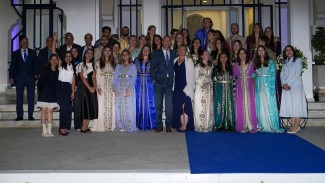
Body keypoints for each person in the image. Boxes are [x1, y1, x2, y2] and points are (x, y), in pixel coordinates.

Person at [254, 45, 284, 133]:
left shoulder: (270, 61)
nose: (260, 51)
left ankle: (271, 125)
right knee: (260, 104)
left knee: (268, 103)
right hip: (259, 84)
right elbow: (254, 73)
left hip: (267, 85)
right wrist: (252, 75)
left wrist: (272, 88)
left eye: (262, 50)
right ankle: (262, 124)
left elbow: (273, 76)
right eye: (259, 50)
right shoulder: (257, 62)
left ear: (265, 51)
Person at [9, 36, 39, 121]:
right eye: (24, 42)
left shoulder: (33, 52)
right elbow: (13, 66)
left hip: (30, 78)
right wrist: (11, 77)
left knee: (31, 97)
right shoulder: (15, 53)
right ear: (20, 43)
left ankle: (30, 115)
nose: (26, 44)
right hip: (19, 78)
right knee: (19, 97)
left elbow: (36, 64)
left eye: (27, 42)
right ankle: (20, 115)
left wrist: (36, 74)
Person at [150, 36, 177, 133]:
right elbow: (152, 67)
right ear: (162, 42)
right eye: (165, 40)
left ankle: (168, 125)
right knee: (158, 105)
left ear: (170, 43)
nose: (167, 42)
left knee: (169, 105)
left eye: (168, 41)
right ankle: (159, 125)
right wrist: (153, 79)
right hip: (158, 83)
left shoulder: (174, 53)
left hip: (169, 83)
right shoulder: (156, 53)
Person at [280, 45, 307, 134]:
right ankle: (293, 126)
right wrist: (283, 84)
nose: (288, 51)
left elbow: (297, 73)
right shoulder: (284, 62)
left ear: (293, 51)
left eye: (290, 50)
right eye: (286, 50)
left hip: (295, 86)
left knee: (297, 105)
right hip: (286, 86)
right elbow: (282, 74)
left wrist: (289, 84)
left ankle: (297, 126)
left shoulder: (298, 60)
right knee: (291, 105)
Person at [52, 32, 75, 136]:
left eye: (70, 56)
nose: (68, 58)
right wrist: (54, 40)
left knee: (68, 109)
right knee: (64, 108)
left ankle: (65, 127)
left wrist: (73, 91)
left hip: (69, 87)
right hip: (61, 87)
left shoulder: (72, 67)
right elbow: (53, 51)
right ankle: (61, 128)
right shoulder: (61, 64)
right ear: (64, 57)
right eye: (66, 56)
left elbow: (73, 80)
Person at [233, 48, 258, 133]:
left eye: (243, 53)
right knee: (241, 105)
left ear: (246, 54)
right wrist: (235, 77)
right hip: (240, 87)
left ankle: (251, 126)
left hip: (249, 86)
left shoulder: (251, 64)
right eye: (240, 53)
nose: (242, 55)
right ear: (238, 55)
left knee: (250, 104)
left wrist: (254, 75)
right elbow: (234, 76)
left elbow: (254, 73)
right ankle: (242, 126)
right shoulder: (236, 65)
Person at [113, 50, 137, 132]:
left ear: (129, 55)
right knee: (118, 106)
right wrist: (115, 88)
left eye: (126, 54)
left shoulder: (133, 66)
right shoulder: (118, 66)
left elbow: (134, 78)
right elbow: (115, 78)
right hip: (119, 87)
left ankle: (129, 126)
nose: (125, 56)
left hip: (129, 87)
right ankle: (120, 125)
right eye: (123, 55)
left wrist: (129, 89)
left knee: (129, 106)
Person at [92, 46, 116, 132]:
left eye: (109, 50)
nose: (107, 52)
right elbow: (95, 77)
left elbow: (116, 77)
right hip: (101, 87)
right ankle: (101, 126)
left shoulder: (114, 63)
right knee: (101, 105)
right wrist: (97, 87)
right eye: (105, 50)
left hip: (111, 89)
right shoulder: (98, 63)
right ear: (103, 52)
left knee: (112, 106)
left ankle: (111, 126)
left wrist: (116, 88)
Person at [172, 44, 195, 132]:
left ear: (186, 51)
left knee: (186, 106)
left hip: (186, 86)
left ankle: (185, 125)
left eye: (183, 49)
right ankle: (181, 124)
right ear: (178, 51)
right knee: (177, 106)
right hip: (177, 87)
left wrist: (189, 89)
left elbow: (192, 76)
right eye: (180, 49)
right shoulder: (175, 60)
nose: (181, 51)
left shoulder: (189, 61)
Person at [75, 49, 98, 133]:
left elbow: (94, 77)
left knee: (90, 106)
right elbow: (82, 77)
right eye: (87, 53)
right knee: (85, 106)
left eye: (91, 54)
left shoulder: (94, 65)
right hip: (83, 87)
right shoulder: (80, 65)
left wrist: (94, 87)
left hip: (91, 87)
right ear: (85, 54)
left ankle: (86, 126)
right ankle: (83, 127)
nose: (89, 55)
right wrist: (90, 88)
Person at [211, 52, 235, 132]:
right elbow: (212, 79)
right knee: (219, 105)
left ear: (227, 58)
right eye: (222, 57)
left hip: (229, 89)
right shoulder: (216, 68)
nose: (223, 59)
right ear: (219, 58)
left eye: (225, 57)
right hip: (219, 89)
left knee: (229, 106)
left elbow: (234, 79)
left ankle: (229, 124)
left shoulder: (230, 68)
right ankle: (219, 124)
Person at [134, 45, 157, 130]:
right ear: (142, 50)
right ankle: (138, 124)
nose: (146, 51)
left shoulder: (153, 60)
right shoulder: (136, 60)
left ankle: (151, 124)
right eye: (144, 49)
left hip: (150, 83)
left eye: (148, 50)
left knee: (151, 103)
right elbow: (133, 71)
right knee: (138, 103)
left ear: (150, 51)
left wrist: (154, 80)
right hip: (138, 83)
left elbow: (156, 70)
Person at [37, 54, 59, 137]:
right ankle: (44, 130)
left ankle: (49, 130)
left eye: (55, 59)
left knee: (50, 112)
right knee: (43, 111)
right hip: (44, 92)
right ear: (50, 61)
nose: (54, 61)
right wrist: (39, 93)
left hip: (53, 93)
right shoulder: (45, 70)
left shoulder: (58, 71)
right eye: (52, 59)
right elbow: (40, 82)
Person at [193, 50, 214, 132]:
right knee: (200, 105)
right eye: (205, 54)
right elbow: (196, 78)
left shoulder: (211, 66)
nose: (207, 55)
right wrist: (204, 82)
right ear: (201, 56)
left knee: (208, 105)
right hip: (200, 88)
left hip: (208, 88)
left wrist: (209, 82)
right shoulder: (198, 66)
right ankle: (200, 126)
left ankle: (208, 125)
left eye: (208, 54)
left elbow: (211, 77)